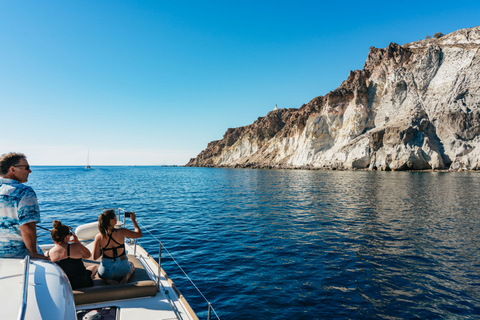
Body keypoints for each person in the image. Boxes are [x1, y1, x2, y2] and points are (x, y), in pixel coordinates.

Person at [0, 152, 46, 259]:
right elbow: (27, 226)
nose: (30, 171)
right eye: (26, 167)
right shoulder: (24, 192)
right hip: (19, 256)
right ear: (13, 169)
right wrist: (34, 253)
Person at [92, 209, 142, 284]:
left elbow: (95, 257)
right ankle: (126, 278)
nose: (116, 219)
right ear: (112, 221)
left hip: (105, 272)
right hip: (123, 270)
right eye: (115, 218)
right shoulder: (122, 232)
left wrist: (105, 248)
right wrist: (133, 221)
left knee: (101, 272)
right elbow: (139, 234)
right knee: (131, 265)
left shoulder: (99, 237)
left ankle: (108, 280)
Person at [46, 220, 97, 289]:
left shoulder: (48, 254)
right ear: (67, 237)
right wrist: (78, 242)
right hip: (83, 283)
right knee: (94, 267)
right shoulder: (76, 246)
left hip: (65, 286)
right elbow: (87, 255)